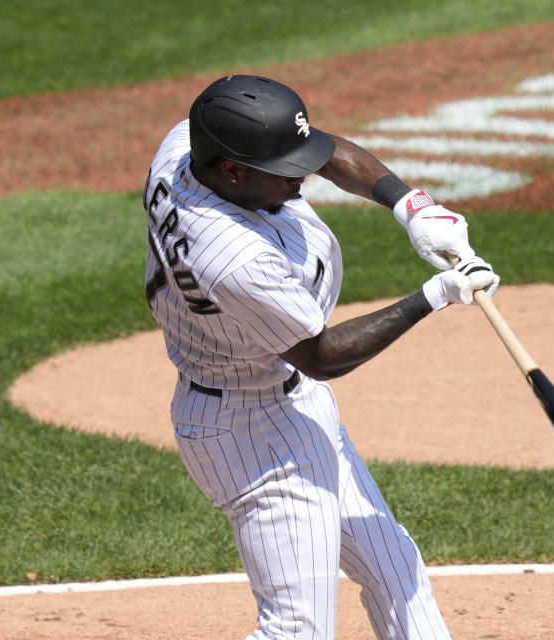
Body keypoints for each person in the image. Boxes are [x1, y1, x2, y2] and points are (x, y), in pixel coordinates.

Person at [142, 74, 498, 640]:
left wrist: (411, 206)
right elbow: (322, 354)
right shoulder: (231, 256)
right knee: (297, 631)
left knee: (394, 567)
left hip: (285, 402)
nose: (303, 174)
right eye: (285, 168)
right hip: (252, 435)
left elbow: (322, 149)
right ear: (233, 170)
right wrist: (436, 295)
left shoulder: (187, 145)